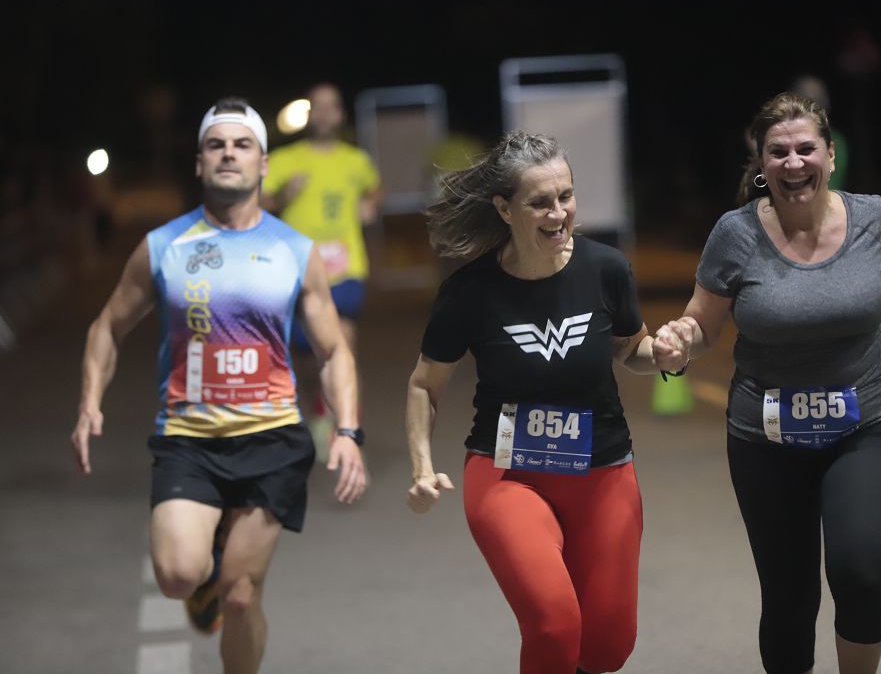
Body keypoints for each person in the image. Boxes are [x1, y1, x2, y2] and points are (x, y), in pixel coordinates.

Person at [653, 92, 881, 674]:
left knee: (863, 568)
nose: (793, 162)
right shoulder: (735, 234)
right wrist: (679, 341)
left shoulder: (876, 219)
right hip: (764, 436)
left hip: (865, 424)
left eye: (806, 148)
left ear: (830, 154)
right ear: (760, 163)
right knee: (789, 597)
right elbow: (703, 323)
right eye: (778, 152)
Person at [71, 97, 368, 674]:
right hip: (189, 438)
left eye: (242, 145)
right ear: (200, 164)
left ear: (262, 166)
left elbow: (334, 350)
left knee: (241, 596)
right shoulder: (164, 247)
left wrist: (348, 430)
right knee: (179, 574)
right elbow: (106, 327)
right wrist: (89, 403)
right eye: (216, 144)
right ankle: (206, 559)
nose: (228, 153)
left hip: (273, 439)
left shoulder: (294, 251)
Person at [405, 131, 682, 674]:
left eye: (566, 196)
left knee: (606, 648)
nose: (558, 212)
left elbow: (632, 349)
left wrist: (667, 355)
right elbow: (423, 385)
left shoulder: (606, 269)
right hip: (508, 472)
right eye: (540, 202)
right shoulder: (469, 291)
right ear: (504, 209)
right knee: (555, 626)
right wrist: (420, 464)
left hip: (603, 470)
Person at [262, 83, 382, 452]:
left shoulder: (356, 160)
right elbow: (257, 203)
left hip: (346, 268)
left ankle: (348, 422)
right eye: (319, 107)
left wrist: (370, 205)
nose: (326, 113)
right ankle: (319, 404)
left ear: (341, 114)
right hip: (299, 271)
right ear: (309, 115)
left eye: (332, 107)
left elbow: (375, 189)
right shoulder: (286, 159)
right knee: (309, 356)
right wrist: (284, 196)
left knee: (343, 344)